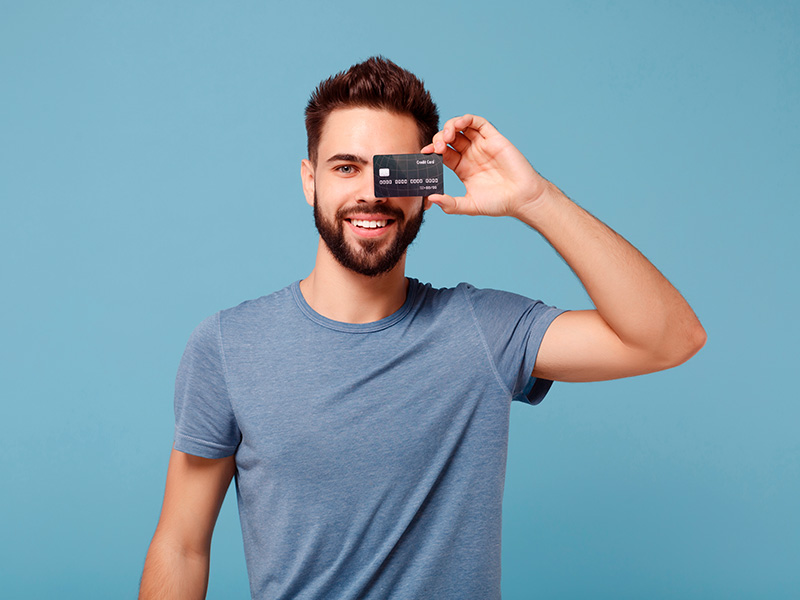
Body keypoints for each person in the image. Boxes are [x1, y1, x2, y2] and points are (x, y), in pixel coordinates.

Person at [139, 56, 705, 600]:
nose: (372, 193)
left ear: (425, 185)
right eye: (346, 167)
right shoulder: (228, 346)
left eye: (395, 171)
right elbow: (182, 545)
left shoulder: (483, 332)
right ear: (309, 180)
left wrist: (534, 199)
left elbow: (667, 338)